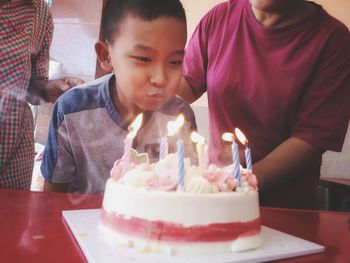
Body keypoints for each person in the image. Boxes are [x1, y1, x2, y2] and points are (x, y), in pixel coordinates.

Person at [178, 0, 350, 209]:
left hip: (285, 210)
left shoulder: (333, 40)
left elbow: (310, 139)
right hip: (215, 197)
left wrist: (237, 183)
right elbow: (188, 85)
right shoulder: (219, 17)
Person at [40, 0, 196, 194]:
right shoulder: (73, 110)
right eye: (144, 59)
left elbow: (189, 191)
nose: (160, 78)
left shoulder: (181, 117)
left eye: (174, 61)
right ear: (106, 56)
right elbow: (53, 197)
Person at [0, 0, 83, 189]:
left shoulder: (39, 11)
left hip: (12, 148)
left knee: (11, 217)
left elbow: (31, 88)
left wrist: (50, 89)